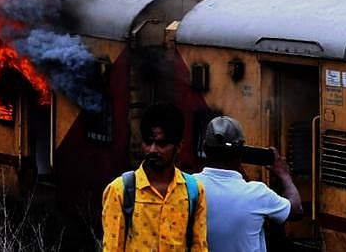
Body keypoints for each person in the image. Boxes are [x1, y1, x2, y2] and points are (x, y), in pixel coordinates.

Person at [101, 102, 208, 252]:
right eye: (148, 142)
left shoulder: (194, 191)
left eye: (161, 144)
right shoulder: (120, 191)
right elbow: (112, 248)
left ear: (179, 146)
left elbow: (199, 247)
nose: (152, 150)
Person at [194, 116, 302, 252]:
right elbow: (296, 210)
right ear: (241, 151)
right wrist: (284, 175)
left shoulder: (190, 186)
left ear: (204, 148)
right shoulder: (257, 193)